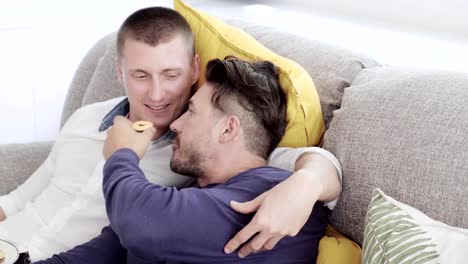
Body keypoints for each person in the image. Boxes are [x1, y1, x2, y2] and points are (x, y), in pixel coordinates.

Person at [0, 6, 341, 262]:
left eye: (171, 75)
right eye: (142, 76)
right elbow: (112, 241)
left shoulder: (256, 181)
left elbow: (310, 163)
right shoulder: (195, 174)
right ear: (121, 74)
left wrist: (122, 155)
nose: (158, 95)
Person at [35, 56, 330, 264]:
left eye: (191, 111)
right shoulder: (197, 196)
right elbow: (112, 247)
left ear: (228, 128)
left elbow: (141, 223)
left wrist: (121, 155)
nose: (176, 124)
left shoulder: (267, 196)